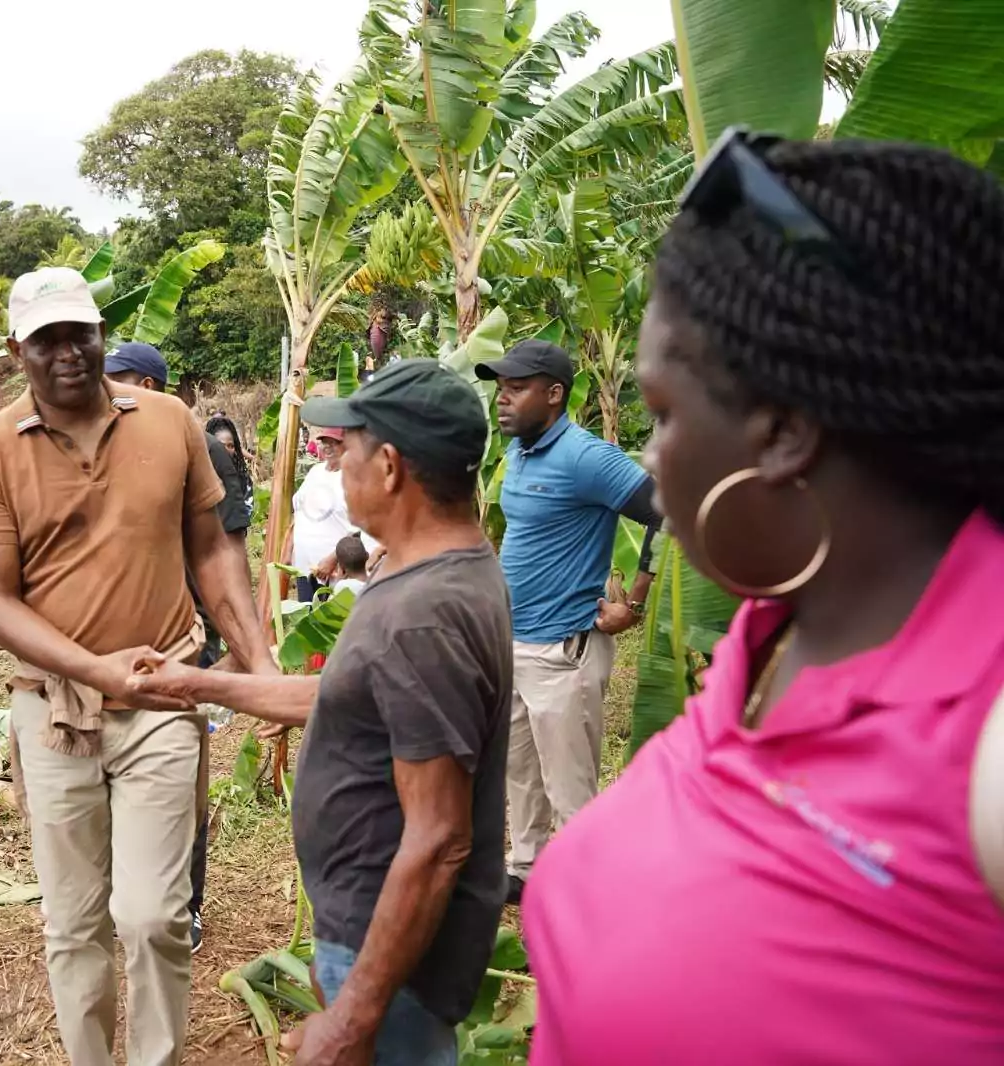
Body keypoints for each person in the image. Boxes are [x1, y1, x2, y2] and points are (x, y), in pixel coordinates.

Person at [523, 135, 1004, 1064]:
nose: (653, 460)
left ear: (783, 433)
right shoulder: (772, 635)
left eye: (663, 415)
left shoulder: (981, 739)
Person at [129, 358, 513, 1066]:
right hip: (367, 932)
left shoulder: (422, 616)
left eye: (349, 452)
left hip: (390, 945)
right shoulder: (435, 570)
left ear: (391, 465)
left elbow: (438, 839)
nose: (339, 470)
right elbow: (349, 699)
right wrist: (203, 685)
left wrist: (354, 1014)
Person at [0, 267, 274, 1066]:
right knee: (74, 922)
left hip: (165, 694)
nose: (68, 353)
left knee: (155, 915)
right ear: (16, 350)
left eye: (80, 334)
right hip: (55, 708)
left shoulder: (169, 422)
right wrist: (96, 672)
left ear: (101, 334)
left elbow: (212, 549)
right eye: (46, 340)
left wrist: (258, 664)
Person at [473, 339, 661, 903]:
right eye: (499, 389)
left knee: (568, 785)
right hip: (515, 642)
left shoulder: (585, 456)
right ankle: (527, 868)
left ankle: (583, 895)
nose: (502, 400)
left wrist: (638, 600)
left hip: (565, 648)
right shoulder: (519, 452)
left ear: (554, 394)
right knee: (520, 773)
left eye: (516, 389)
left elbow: (665, 511)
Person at [103, 342, 251, 955]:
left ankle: (185, 904)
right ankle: (125, 894)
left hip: (185, 637)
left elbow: (228, 553)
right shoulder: (105, 440)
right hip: (114, 643)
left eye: (113, 380)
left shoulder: (202, 447)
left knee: (180, 779)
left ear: (144, 382)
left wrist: (245, 647)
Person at [290, 426, 375, 602]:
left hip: (334, 570)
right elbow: (300, 510)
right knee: (307, 619)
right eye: (324, 442)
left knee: (327, 621)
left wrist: (332, 559)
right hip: (305, 566)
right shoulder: (315, 472)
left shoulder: (351, 477)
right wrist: (291, 548)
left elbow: (358, 527)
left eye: (334, 443)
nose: (327, 447)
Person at [206, 413, 255, 526]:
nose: (227, 450)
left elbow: (247, 509)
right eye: (221, 445)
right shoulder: (201, 476)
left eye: (231, 446)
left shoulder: (243, 477)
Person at [331, 534, 370, 598]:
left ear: (341, 567)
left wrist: (338, 580)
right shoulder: (376, 580)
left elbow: (329, 605)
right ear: (367, 556)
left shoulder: (342, 587)